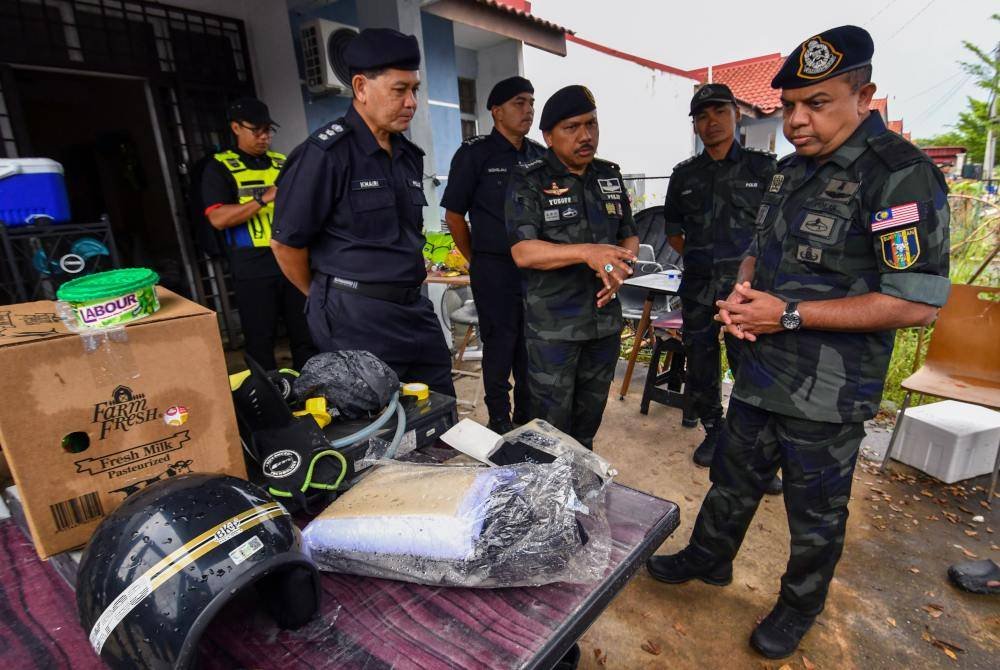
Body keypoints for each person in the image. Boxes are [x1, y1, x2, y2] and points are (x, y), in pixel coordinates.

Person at [647, 25, 950, 659]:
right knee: (732, 478)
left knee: (814, 514)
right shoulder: (788, 173)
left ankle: (797, 606)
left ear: (863, 97)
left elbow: (915, 302)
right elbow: (760, 248)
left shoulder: (901, 176)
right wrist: (741, 293)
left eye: (817, 104)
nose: (797, 121)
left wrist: (787, 315)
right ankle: (709, 559)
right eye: (788, 106)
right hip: (760, 368)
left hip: (828, 388)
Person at [270, 29, 455, 397]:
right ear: (360, 87)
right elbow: (286, 245)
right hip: (355, 317)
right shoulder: (324, 155)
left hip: (413, 310)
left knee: (438, 411)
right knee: (379, 430)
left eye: (415, 89)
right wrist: (329, 294)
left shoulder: (406, 155)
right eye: (399, 90)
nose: (412, 102)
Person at [506, 85, 639, 450]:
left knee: (588, 420)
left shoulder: (609, 175)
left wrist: (621, 267)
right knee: (549, 427)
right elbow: (523, 251)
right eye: (572, 127)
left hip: (603, 323)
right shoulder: (529, 178)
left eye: (591, 124)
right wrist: (587, 253)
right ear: (548, 136)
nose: (586, 136)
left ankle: (580, 487)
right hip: (554, 329)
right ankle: (546, 496)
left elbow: (629, 235)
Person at [663, 84, 779, 482]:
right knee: (701, 361)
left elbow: (775, 232)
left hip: (745, 291)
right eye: (701, 116)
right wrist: (703, 258)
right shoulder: (684, 176)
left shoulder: (764, 170)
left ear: (736, 114)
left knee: (749, 363)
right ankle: (715, 430)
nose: (710, 122)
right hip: (698, 286)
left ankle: (753, 445)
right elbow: (675, 233)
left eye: (718, 112)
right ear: (695, 124)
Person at [441, 77, 545, 433]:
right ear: (496, 111)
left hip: (535, 270)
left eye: (531, 102)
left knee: (530, 346)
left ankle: (526, 416)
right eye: (519, 102)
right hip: (494, 268)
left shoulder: (539, 155)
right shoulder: (475, 153)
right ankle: (499, 416)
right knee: (500, 346)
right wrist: (477, 257)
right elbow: (454, 215)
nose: (528, 110)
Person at [201, 97, 316, 370]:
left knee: (305, 333)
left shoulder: (281, 163)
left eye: (268, 130)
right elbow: (217, 219)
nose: (264, 137)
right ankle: (269, 401)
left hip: (292, 258)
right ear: (236, 128)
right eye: (257, 130)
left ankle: (312, 392)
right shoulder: (219, 167)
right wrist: (264, 198)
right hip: (252, 264)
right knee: (260, 338)